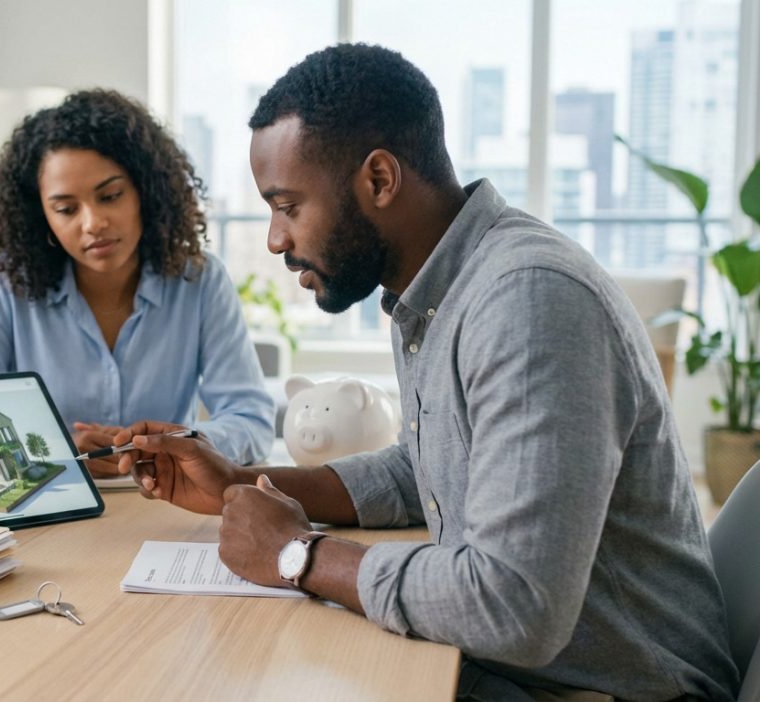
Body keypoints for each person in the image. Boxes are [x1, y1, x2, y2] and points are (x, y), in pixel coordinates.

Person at [116, 44, 739, 700]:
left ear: (379, 180)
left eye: (288, 206)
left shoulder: (527, 300)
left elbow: (514, 606)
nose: (275, 238)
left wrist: (298, 555)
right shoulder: (436, 294)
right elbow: (425, 471)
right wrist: (244, 484)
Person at [0, 89, 275, 474]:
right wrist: (58, 449)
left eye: (111, 196)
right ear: (41, 216)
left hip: (166, 504)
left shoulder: (199, 281)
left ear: (145, 192)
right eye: (66, 209)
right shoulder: (5, 283)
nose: (92, 223)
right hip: (51, 505)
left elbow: (251, 419)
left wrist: (179, 445)